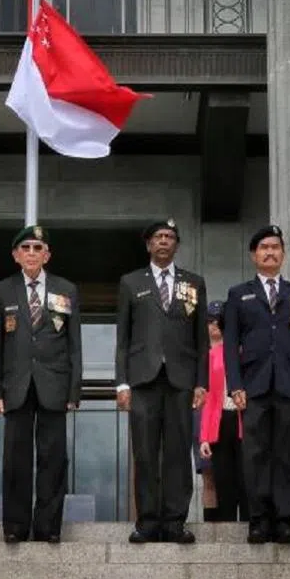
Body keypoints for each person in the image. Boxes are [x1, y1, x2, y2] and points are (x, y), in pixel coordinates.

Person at [115, 219, 207, 545]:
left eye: (169, 237)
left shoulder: (193, 283)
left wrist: (201, 382)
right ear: (148, 245)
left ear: (176, 245)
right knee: (145, 453)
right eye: (158, 237)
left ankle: (174, 522)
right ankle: (147, 522)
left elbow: (201, 340)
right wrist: (121, 384)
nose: (164, 242)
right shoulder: (130, 282)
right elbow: (123, 338)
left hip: (181, 380)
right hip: (143, 379)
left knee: (179, 452)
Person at [0, 226, 82, 544]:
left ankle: (48, 527)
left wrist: (74, 390)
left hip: (54, 386)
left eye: (37, 247)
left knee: (53, 458)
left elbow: (74, 345)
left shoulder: (66, 288)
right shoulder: (3, 290)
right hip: (16, 386)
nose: (31, 252)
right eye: (25, 247)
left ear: (47, 254)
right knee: (16, 459)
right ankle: (15, 526)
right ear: (16, 255)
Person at [223, 225, 290, 545]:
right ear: (253, 255)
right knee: (256, 455)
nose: (270, 252)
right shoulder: (238, 294)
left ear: (283, 254)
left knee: (288, 454)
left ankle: (286, 519)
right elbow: (230, 344)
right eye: (264, 247)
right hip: (254, 386)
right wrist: (235, 385)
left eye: (276, 247)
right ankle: (259, 519)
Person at [197, 301, 247, 523]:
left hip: (245, 420)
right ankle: (227, 532)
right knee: (224, 481)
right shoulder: (211, 355)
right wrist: (204, 437)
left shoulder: (245, 351)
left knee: (247, 480)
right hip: (221, 421)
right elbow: (208, 399)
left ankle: (250, 526)